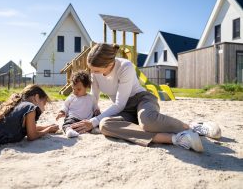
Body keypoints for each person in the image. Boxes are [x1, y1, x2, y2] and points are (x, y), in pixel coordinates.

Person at [70, 43, 221, 152]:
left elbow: (119, 104)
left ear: (109, 64)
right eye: (91, 70)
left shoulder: (125, 67)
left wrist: (93, 121)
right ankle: (177, 139)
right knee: (105, 125)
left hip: (141, 100)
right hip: (125, 111)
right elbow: (95, 100)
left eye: (96, 70)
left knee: (147, 122)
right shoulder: (95, 73)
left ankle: (190, 127)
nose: (93, 73)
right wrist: (93, 115)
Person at [56, 70, 99, 138]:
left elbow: (95, 106)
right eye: (73, 89)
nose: (75, 92)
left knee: (96, 120)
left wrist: (97, 111)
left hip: (88, 120)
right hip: (74, 118)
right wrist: (62, 112)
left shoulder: (91, 98)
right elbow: (65, 106)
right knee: (67, 123)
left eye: (78, 89)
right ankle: (69, 131)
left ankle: (94, 129)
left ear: (86, 87)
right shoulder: (71, 97)